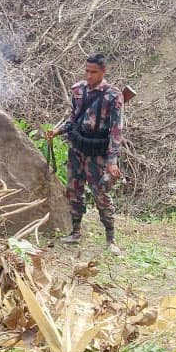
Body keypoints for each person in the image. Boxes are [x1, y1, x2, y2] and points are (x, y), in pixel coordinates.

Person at [46, 54, 124, 255]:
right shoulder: (78, 90)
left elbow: (116, 131)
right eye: (87, 71)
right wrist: (58, 131)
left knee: (101, 194)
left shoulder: (113, 95)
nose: (89, 75)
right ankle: (75, 231)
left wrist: (112, 161)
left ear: (103, 72)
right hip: (77, 148)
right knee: (73, 190)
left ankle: (110, 238)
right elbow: (74, 118)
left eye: (93, 72)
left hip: (97, 152)